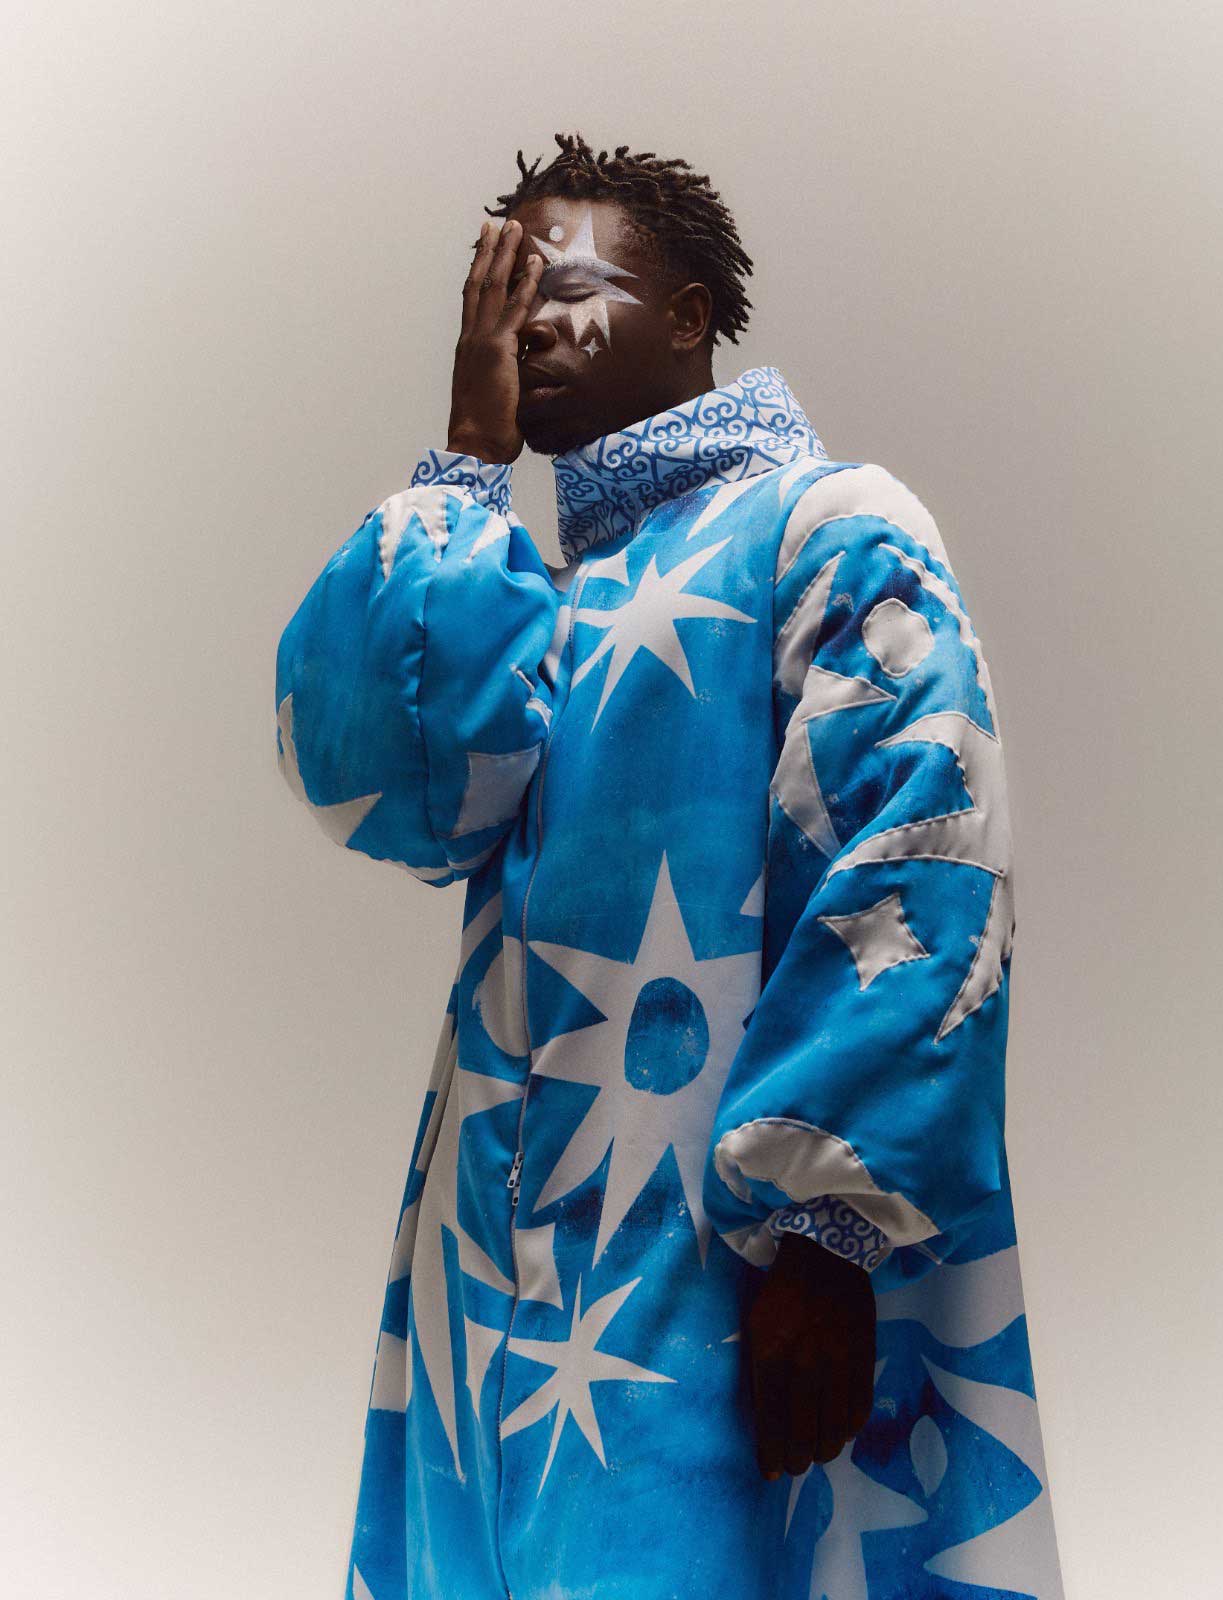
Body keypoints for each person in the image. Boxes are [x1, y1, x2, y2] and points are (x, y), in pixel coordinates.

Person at [275, 132, 1065, 1600]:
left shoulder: (830, 525)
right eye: (504, 303)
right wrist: (465, 464)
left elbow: (924, 853)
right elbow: (381, 781)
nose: (528, 331)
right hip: (483, 1272)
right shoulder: (537, 602)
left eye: (565, 291)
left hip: (722, 1259)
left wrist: (826, 1237)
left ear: (692, 316)